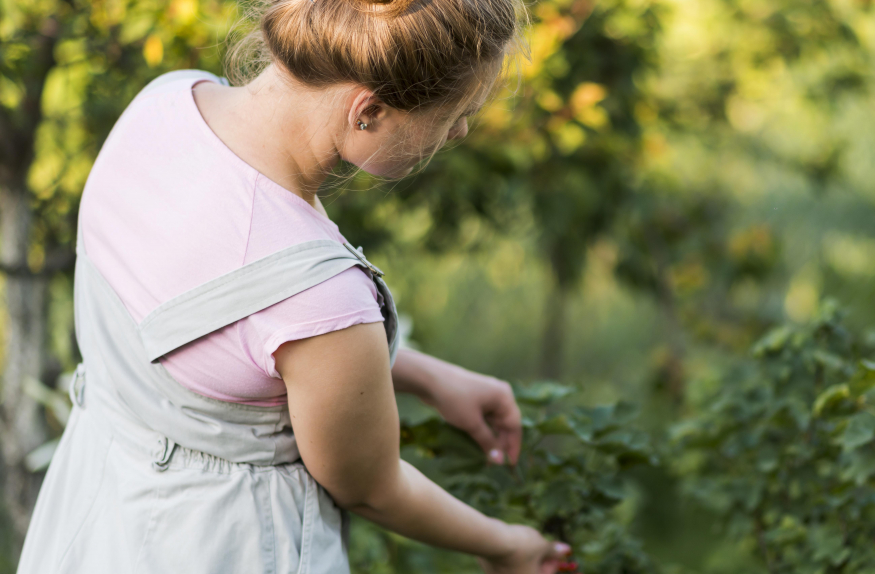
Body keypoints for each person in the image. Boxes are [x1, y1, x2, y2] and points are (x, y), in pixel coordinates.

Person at [16, 0, 570, 572]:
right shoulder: (321, 293)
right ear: (370, 111)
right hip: (226, 549)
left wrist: (429, 376)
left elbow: (236, 338)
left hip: (93, 517)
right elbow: (372, 488)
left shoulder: (164, 104)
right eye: (455, 113)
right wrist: (506, 545)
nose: (459, 129)